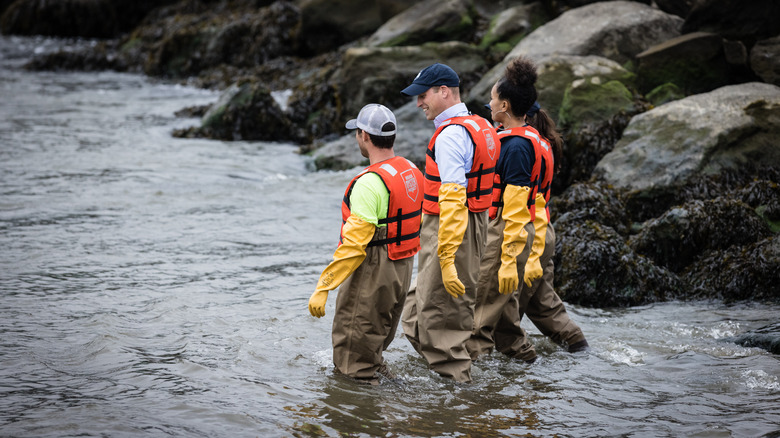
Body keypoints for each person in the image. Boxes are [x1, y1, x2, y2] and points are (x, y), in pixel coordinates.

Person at [468, 57, 587, 362]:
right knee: (539, 307)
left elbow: (516, 207)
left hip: (514, 234)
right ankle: (577, 354)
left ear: (504, 106)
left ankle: (473, 391)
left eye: (493, 99)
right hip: (539, 232)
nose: (489, 104)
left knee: (483, 316)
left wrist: (507, 259)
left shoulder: (517, 146)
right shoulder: (536, 139)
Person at [308, 103, 424, 385]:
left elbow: (354, 246)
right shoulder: (411, 170)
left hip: (373, 269)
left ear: (364, 136)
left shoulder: (369, 183)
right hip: (403, 266)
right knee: (373, 341)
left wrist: (324, 286)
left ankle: (360, 419)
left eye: (357, 133)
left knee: (352, 359)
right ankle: (387, 386)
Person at [399, 63, 499, 382]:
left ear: (444, 92)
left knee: (444, 318)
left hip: (453, 228)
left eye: (423, 95)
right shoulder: (481, 125)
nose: (418, 103)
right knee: (416, 313)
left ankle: (458, 398)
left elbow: (454, 200)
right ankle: (448, 371)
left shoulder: (451, 136)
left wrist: (447, 256)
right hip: (470, 223)